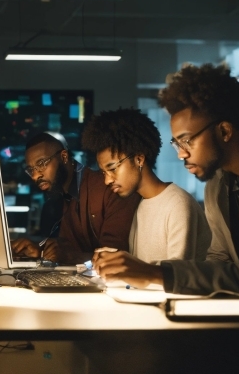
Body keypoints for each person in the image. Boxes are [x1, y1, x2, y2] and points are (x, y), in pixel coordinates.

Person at [94, 64, 239, 298]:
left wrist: (156, 273)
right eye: (177, 144)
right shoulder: (217, 182)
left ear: (225, 131)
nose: (181, 154)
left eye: (187, 141)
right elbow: (220, 260)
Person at [82, 107, 211, 263]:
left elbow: (177, 276)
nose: (107, 180)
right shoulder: (141, 204)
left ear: (139, 159)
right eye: (103, 172)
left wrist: (127, 265)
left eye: (112, 168)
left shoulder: (178, 204)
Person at [10, 132, 139, 263]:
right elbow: (69, 246)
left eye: (42, 163)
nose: (36, 176)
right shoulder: (67, 193)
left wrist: (69, 257)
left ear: (64, 157)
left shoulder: (109, 187)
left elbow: (114, 257)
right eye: (31, 170)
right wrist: (39, 250)